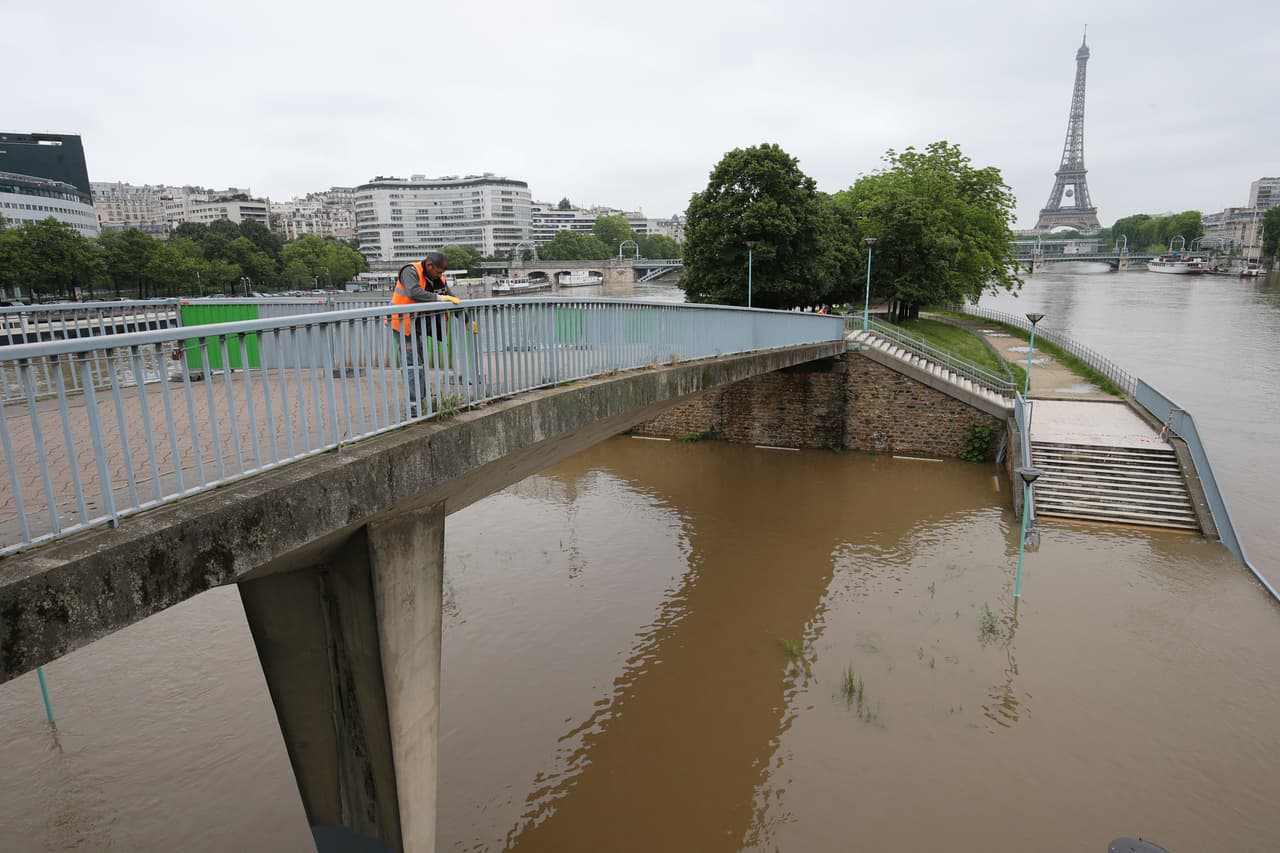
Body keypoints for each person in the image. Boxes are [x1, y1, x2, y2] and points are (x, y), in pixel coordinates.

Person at [388, 251, 458, 412]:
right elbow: (414, 292)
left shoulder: (437, 277)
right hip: (402, 322)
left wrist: (468, 320)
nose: (440, 275)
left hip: (416, 323)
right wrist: (439, 298)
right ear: (429, 265)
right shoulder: (410, 271)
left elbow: (451, 297)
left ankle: (423, 397)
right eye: (438, 271)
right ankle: (414, 405)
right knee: (412, 364)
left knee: (419, 363)